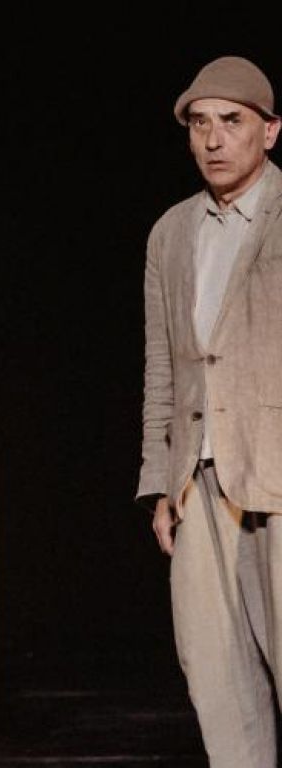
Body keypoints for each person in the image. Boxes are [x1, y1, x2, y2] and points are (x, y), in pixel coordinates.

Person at [138, 55, 282, 766]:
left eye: (232, 121)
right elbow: (163, 366)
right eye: (200, 124)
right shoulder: (172, 232)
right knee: (216, 676)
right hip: (199, 478)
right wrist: (160, 481)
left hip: (276, 468)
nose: (214, 139)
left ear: (270, 130)